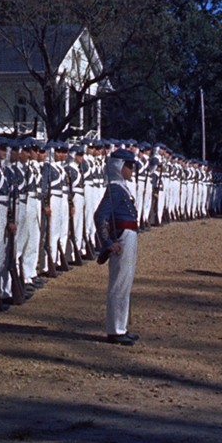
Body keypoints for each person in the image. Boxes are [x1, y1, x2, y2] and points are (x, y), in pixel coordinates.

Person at [94, 148, 140, 346]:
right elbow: (100, 216)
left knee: (125, 283)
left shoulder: (121, 188)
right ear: (119, 167)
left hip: (128, 236)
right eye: (128, 166)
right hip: (122, 237)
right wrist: (108, 243)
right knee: (119, 284)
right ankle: (115, 330)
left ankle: (121, 326)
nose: (131, 170)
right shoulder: (115, 189)